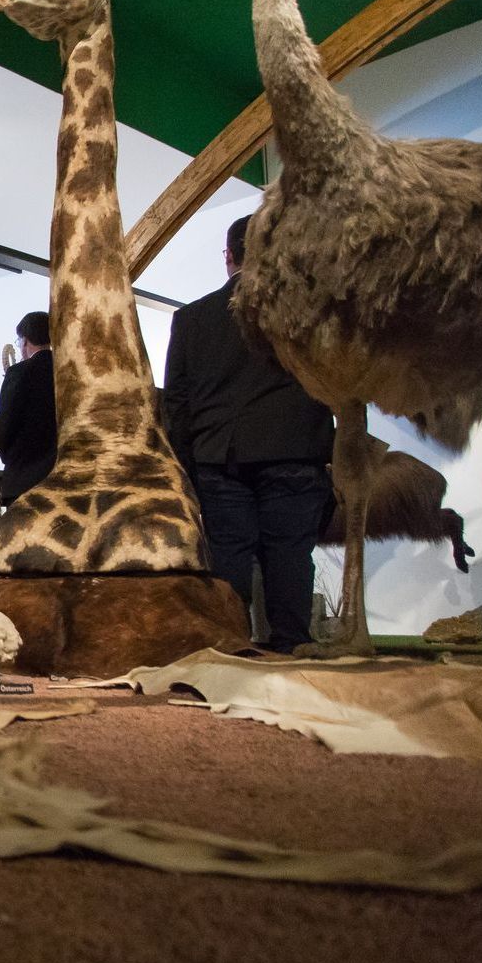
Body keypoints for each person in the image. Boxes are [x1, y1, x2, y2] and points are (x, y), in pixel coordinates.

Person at [164, 214, 335, 654]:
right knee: (289, 553)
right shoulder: (310, 311)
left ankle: (229, 645)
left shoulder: (191, 318)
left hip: (221, 454)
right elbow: (335, 380)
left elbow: (177, 404)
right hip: (295, 449)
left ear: (229, 256)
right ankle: (291, 647)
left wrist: (187, 465)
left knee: (228, 555)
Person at [0, 310, 56, 504]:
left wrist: (3, 451)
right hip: (63, 474)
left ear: (25, 341)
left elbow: (6, 421)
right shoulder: (65, 370)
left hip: (26, 475)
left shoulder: (19, 373)